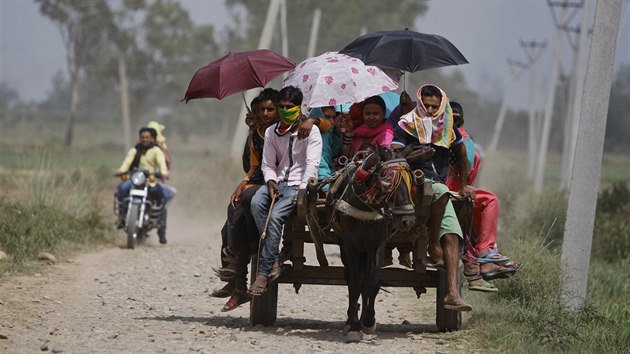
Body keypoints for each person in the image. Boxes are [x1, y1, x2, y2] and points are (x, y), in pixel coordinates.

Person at [391, 84, 473, 311]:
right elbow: (395, 153)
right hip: (410, 184)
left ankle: (452, 294)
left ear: (441, 105)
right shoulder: (406, 123)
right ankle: (432, 244)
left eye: (434, 106)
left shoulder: (448, 126)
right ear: (419, 102)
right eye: (425, 105)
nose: (429, 109)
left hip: (439, 186)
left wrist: (465, 185)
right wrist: (414, 153)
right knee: (438, 191)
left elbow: (462, 153)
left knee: (454, 235)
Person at [248, 85, 323, 296]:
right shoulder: (272, 132)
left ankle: (263, 273)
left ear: (299, 108)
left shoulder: (311, 131)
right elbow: (268, 164)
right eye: (281, 106)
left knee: (275, 218)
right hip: (277, 183)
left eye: (289, 107)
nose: (284, 110)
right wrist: (271, 181)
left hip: (298, 186)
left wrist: (302, 191)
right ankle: (274, 260)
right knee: (256, 203)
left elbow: (312, 165)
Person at [214, 89, 280, 311]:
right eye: (261, 110)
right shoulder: (256, 135)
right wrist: (242, 182)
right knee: (234, 210)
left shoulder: (284, 132)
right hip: (258, 180)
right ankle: (234, 269)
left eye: (270, 109)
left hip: (280, 184)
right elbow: (252, 167)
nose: (265, 113)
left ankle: (238, 278)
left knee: (245, 202)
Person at [446, 102, 518, 292]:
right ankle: (481, 258)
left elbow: (469, 168)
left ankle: (484, 257)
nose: (454, 117)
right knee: (484, 202)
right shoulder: (438, 134)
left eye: (457, 114)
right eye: (450, 114)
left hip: (458, 186)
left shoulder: (463, 139)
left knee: (481, 202)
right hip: (445, 186)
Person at [116, 127, 169, 244]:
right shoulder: (135, 150)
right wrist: (121, 170)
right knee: (122, 188)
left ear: (152, 139)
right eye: (142, 137)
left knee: (164, 196)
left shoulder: (156, 151)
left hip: (151, 181)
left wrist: (163, 173)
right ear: (139, 138)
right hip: (136, 180)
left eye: (147, 137)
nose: (144, 139)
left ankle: (161, 230)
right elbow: (127, 162)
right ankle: (121, 216)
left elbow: (162, 163)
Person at [147, 121, 176, 245]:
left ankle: (162, 232)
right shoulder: (140, 146)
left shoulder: (160, 148)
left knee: (163, 199)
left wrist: (161, 147)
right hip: (142, 180)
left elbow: (168, 162)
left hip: (157, 180)